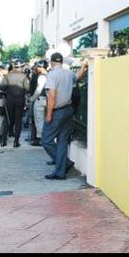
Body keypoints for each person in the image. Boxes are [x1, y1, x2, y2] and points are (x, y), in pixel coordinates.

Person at [40, 52, 87, 180]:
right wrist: (84, 65)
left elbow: (52, 95)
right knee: (62, 141)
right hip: (68, 110)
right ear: (61, 62)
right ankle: (60, 172)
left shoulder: (52, 75)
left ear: (51, 62)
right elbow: (78, 76)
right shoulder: (68, 73)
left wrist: (49, 115)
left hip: (57, 112)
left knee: (46, 141)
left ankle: (65, 163)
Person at [1, 57, 30, 147]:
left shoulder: (8, 76)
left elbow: (2, 87)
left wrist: (8, 92)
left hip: (9, 100)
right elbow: (28, 89)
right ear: (21, 67)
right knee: (18, 121)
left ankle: (3, 141)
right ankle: (16, 142)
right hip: (20, 100)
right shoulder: (24, 76)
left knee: (7, 120)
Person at [29, 59, 49, 147]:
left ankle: (40, 139)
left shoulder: (42, 77)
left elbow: (38, 90)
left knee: (39, 120)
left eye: (38, 66)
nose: (36, 68)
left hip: (40, 99)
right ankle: (44, 137)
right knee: (45, 120)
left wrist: (32, 98)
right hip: (47, 99)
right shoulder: (49, 75)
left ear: (40, 67)